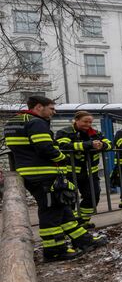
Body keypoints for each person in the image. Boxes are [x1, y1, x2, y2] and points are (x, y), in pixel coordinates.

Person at [4, 96, 107, 262]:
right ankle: (55, 250)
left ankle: (83, 240)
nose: (54, 112)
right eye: (51, 108)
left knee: (62, 208)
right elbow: (45, 147)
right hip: (43, 174)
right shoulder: (36, 122)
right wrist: (61, 157)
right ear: (39, 107)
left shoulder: (13, 122)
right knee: (50, 212)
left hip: (31, 172)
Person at [56, 111, 112, 229]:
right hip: (70, 173)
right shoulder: (64, 132)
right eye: (85, 121)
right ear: (76, 120)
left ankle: (82, 220)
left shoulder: (95, 133)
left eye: (90, 122)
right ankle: (72, 223)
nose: (88, 124)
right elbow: (63, 146)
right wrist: (88, 145)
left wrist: (102, 145)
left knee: (93, 196)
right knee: (70, 198)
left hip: (90, 172)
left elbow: (110, 144)